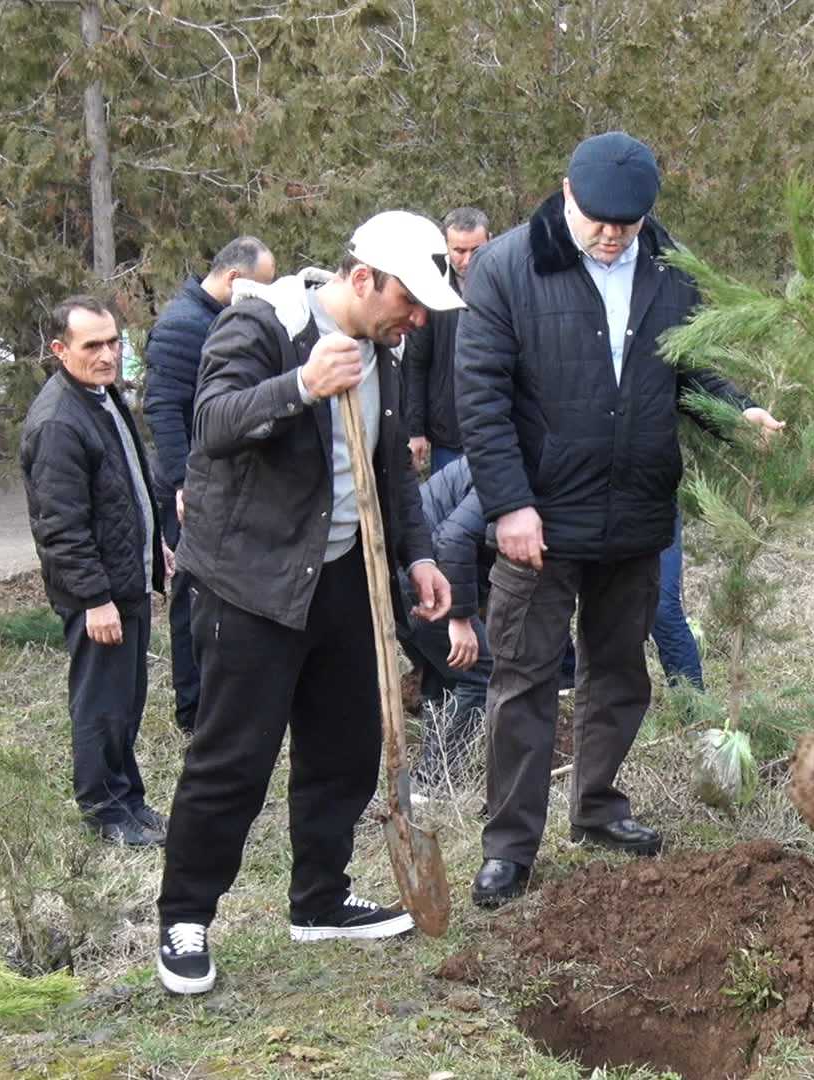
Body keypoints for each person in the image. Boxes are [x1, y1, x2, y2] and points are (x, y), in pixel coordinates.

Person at [456, 131, 781, 908]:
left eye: (626, 225)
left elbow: (692, 364)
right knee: (524, 681)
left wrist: (740, 414)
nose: (611, 235)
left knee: (619, 674)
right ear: (566, 194)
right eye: (599, 220)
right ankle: (510, 846)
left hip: (636, 513)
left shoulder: (670, 270)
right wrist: (509, 506)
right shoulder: (507, 269)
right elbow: (481, 399)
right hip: (540, 521)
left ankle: (598, 807)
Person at [153, 211, 460, 996]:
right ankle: (185, 917)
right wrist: (301, 386)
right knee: (234, 759)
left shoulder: (384, 353)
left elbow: (391, 474)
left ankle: (319, 898)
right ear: (363, 279)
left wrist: (417, 555)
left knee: (345, 746)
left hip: (342, 578)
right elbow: (211, 425)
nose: (416, 320)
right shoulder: (264, 322)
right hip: (251, 582)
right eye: (409, 301)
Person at [20, 295, 167, 847]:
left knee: (125, 700)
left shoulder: (101, 398)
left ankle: (129, 800)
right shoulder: (59, 421)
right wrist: (94, 599)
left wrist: (155, 547)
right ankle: (105, 813)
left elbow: (122, 489)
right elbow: (60, 527)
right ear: (60, 350)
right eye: (93, 346)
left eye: (114, 342)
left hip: (123, 578)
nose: (108, 355)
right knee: (101, 704)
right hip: (98, 594)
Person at [142, 236, 275, 734]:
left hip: (219, 484)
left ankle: (222, 697)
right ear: (236, 280)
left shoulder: (215, 321)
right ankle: (193, 708)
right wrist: (182, 484)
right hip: (190, 489)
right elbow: (165, 412)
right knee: (191, 597)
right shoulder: (181, 327)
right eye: (260, 288)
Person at [402, 455, 494, 792]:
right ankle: (430, 780)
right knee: (480, 672)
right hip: (421, 577)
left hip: (406, 569)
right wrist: (460, 616)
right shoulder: (499, 469)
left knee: (443, 674)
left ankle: (425, 781)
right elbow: (450, 539)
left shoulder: (494, 457)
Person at [404, 207, 491, 474]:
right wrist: (415, 429)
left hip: (497, 427)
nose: (467, 260)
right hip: (448, 432)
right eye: (459, 251)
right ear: (446, 247)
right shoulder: (432, 294)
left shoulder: (505, 287)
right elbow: (416, 364)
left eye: (475, 250)